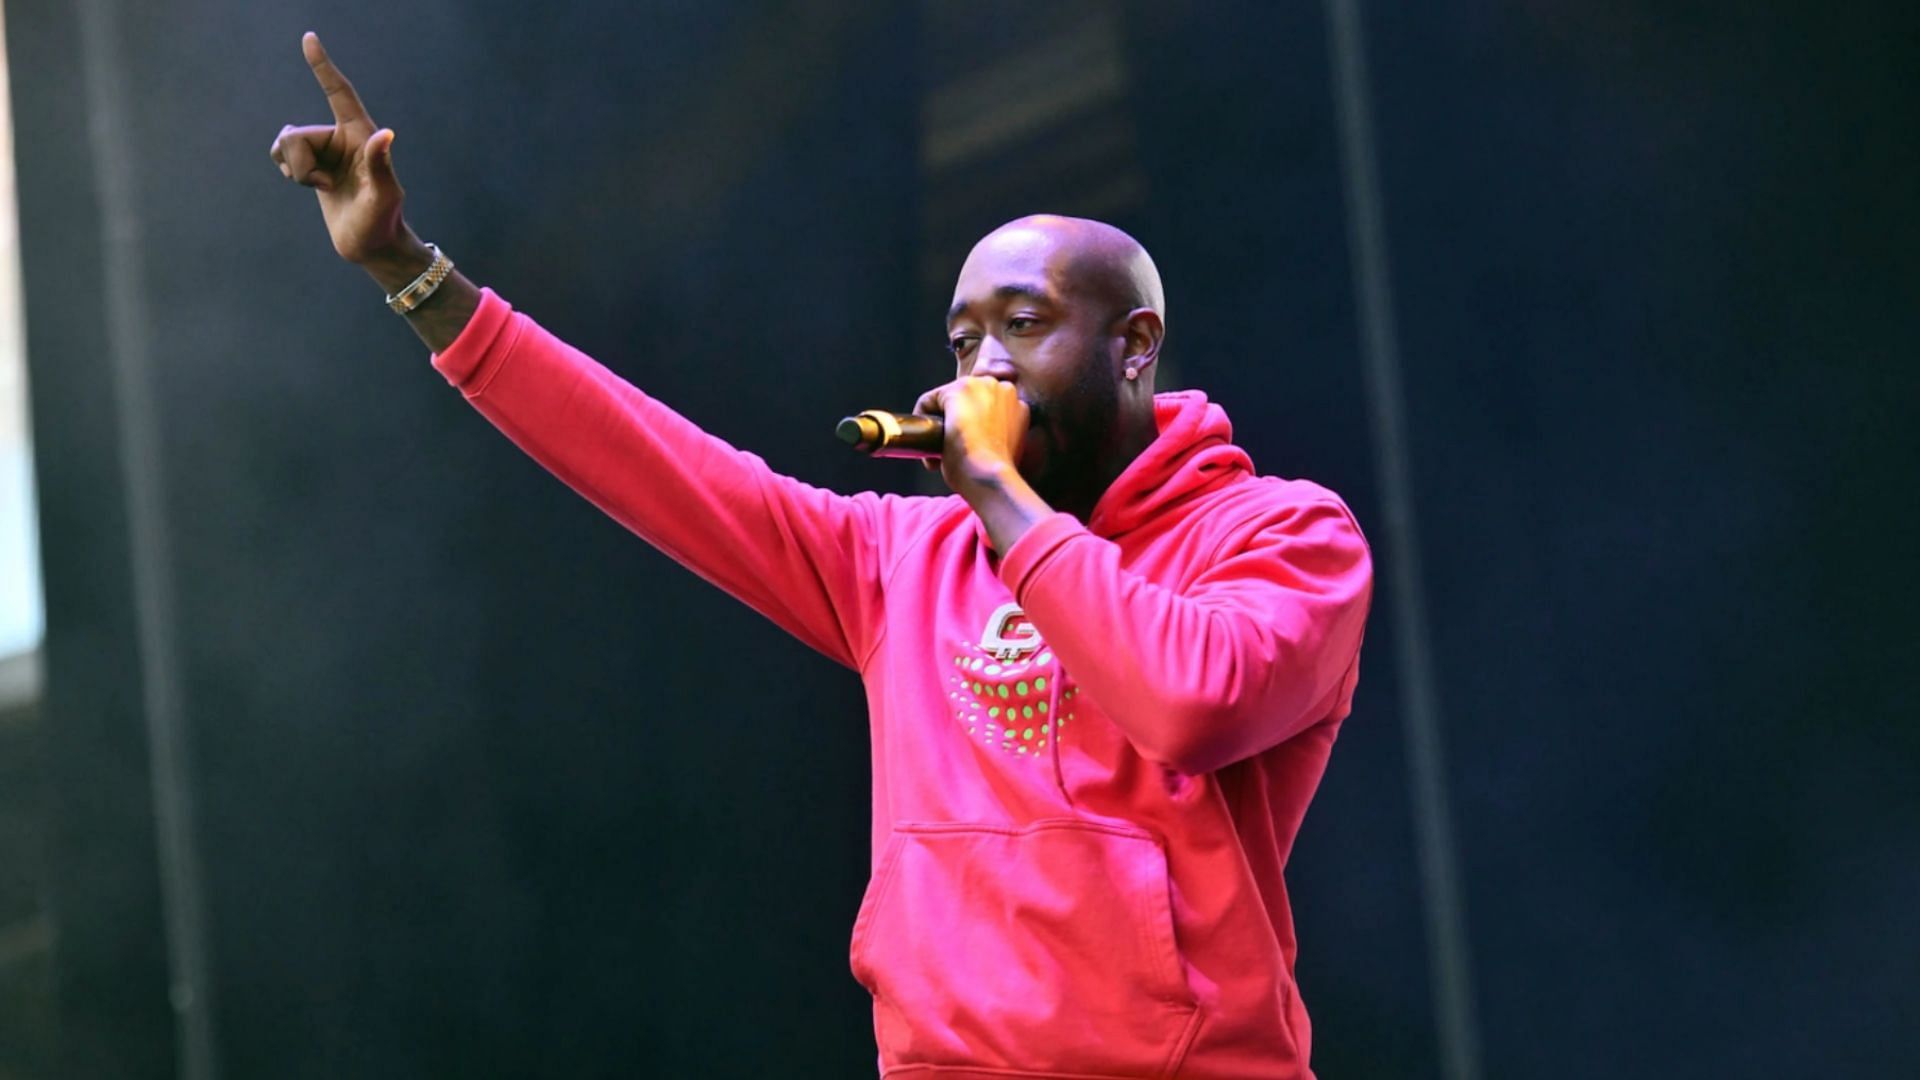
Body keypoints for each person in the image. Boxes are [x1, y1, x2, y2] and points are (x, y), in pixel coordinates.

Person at [272, 32, 1374, 1080]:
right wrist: (408, 272)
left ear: (1134, 346)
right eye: (960, 341)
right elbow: (656, 466)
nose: (982, 367)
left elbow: (1193, 701)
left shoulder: (1283, 535)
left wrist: (998, 491)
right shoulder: (901, 555)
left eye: (1024, 326)